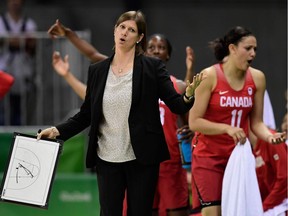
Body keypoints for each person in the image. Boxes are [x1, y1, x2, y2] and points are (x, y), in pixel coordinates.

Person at [38, 10, 200, 216]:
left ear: (139, 38)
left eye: (131, 30)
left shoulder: (152, 68)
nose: (125, 32)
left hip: (141, 159)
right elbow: (86, 115)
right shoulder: (98, 70)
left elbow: (177, 105)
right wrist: (56, 131)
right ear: (115, 30)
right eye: (121, 27)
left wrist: (189, 95)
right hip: (107, 160)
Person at [188, 26, 286, 216]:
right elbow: (194, 121)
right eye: (248, 48)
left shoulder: (258, 78)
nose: (253, 53)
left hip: (239, 156)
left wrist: (270, 137)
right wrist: (227, 128)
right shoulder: (209, 76)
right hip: (209, 156)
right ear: (232, 49)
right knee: (213, 212)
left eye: (255, 49)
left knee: (238, 211)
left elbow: (256, 123)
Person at [0, 0, 37, 125]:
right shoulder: (1, 21)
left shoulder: (29, 23)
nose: (15, 3)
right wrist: (21, 41)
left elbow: (32, 43)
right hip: (3, 71)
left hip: (23, 72)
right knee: (2, 111)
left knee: (19, 111)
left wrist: (8, 40)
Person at [249, 129, 288, 215]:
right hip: (268, 206)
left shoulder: (272, 138)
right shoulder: (247, 149)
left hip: (281, 204)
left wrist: (263, 207)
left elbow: (284, 178)